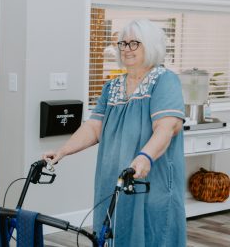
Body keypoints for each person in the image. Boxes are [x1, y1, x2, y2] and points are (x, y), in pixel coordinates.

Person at [44, 19, 186, 246]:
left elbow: (166, 127)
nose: (126, 49)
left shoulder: (164, 80)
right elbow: (94, 127)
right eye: (123, 43)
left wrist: (145, 156)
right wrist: (63, 151)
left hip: (149, 178)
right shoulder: (113, 86)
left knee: (153, 232)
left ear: (150, 46)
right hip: (113, 177)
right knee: (113, 231)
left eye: (134, 43)